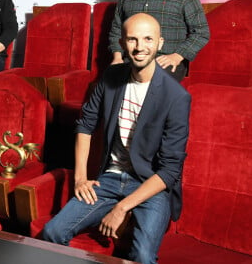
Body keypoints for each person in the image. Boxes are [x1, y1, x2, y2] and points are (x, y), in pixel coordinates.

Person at [42, 13, 191, 264]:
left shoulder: (176, 97)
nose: (140, 47)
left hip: (150, 184)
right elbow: (85, 125)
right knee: (51, 233)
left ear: (160, 43)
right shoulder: (111, 77)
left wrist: (121, 208)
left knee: (143, 256)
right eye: (132, 39)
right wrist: (80, 179)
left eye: (147, 39)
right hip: (109, 179)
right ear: (122, 44)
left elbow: (169, 171)